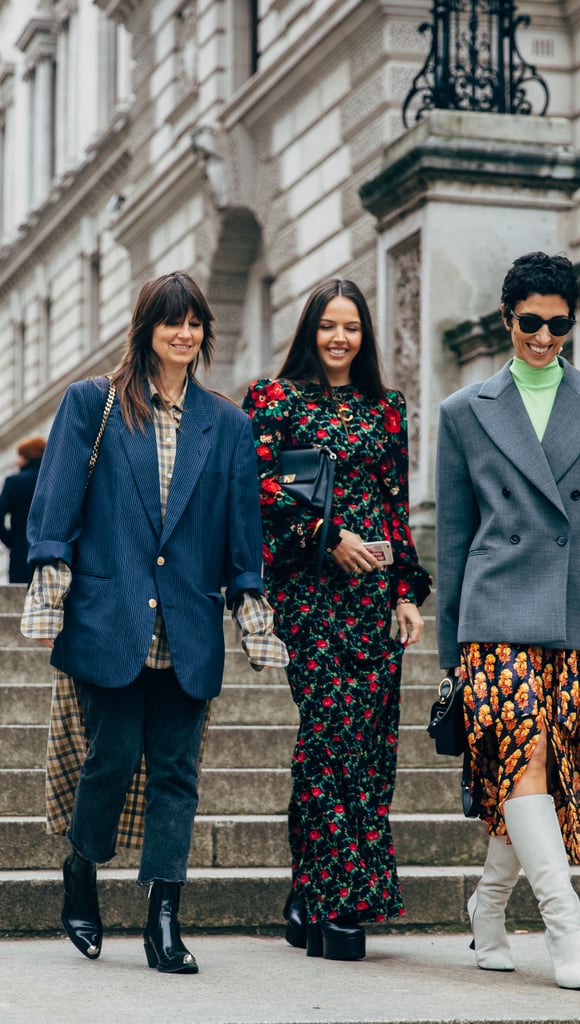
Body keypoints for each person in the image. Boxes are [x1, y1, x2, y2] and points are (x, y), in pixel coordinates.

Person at [21, 271, 288, 973]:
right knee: (110, 759)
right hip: (109, 616)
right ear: (146, 328)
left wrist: (249, 603)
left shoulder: (226, 422)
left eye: (195, 322)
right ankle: (81, 868)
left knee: (176, 772)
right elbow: (55, 506)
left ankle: (163, 919)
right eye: (171, 321)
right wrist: (51, 583)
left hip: (189, 622)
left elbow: (240, 527)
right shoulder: (94, 404)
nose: (184, 334)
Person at [435, 251, 580, 990]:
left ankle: (486, 907)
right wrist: (449, 646)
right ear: (505, 318)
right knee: (523, 758)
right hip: (493, 613)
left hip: (574, 613)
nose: (544, 337)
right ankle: (566, 930)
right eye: (530, 322)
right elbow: (454, 535)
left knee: (549, 772)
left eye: (558, 325)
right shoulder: (463, 412)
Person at [243, 278, 431, 961]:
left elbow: (393, 502)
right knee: (326, 739)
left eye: (351, 327)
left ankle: (309, 893)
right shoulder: (274, 399)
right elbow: (257, 487)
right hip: (308, 592)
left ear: (364, 335)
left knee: (369, 748)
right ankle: (339, 902)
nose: (339, 338)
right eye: (328, 325)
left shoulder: (386, 408)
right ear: (309, 330)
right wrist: (327, 533)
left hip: (373, 597)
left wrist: (406, 591)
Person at [0, 436, 46, 582]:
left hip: (21, 553)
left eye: (20, 456)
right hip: (50, 552)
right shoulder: (52, 482)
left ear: (28, 457)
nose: (17, 461)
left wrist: (11, 540)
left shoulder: (14, 482)